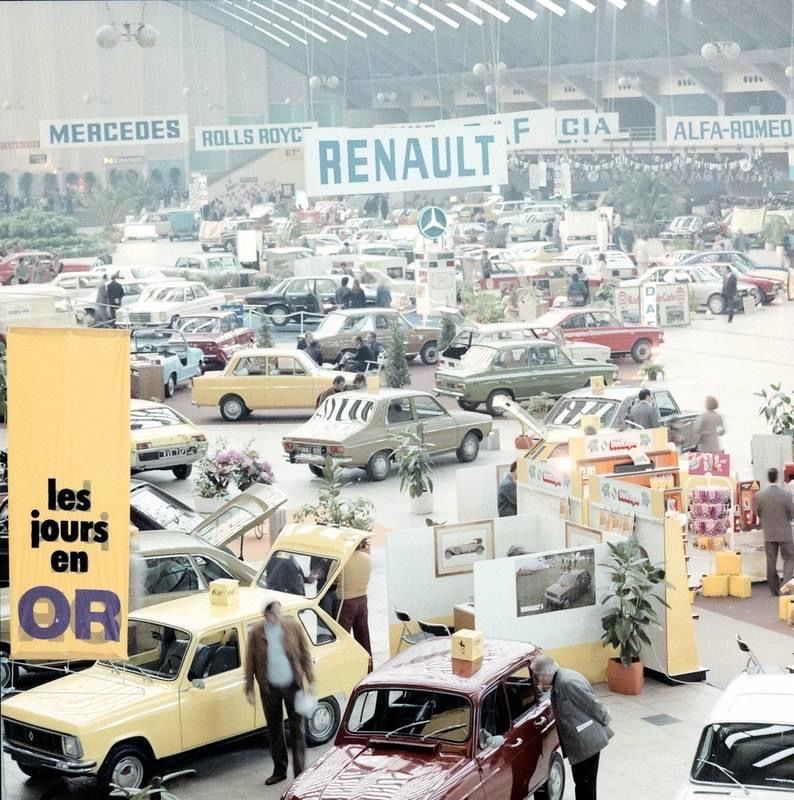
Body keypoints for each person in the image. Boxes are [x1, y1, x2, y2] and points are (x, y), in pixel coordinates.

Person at [244, 600, 314, 785]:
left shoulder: (292, 626)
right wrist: (249, 688)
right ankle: (279, 770)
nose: (277, 617)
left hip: (293, 685)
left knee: (297, 729)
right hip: (270, 688)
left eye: (278, 613)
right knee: (274, 729)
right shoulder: (256, 633)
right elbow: (250, 661)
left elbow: (305, 653)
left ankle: (300, 775)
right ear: (265, 615)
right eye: (273, 614)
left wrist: (311, 679)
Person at [531, 655, 613, 800]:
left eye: (537, 677)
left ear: (544, 674)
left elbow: (591, 704)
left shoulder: (567, 683)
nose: (537, 681)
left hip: (587, 742)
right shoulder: (560, 679)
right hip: (580, 742)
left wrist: (605, 718)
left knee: (585, 784)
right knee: (582, 782)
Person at [756, 467, 794, 596]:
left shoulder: (760, 495)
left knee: (771, 560)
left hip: (769, 532)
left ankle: (774, 588)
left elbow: (758, 513)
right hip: (785, 532)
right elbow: (791, 513)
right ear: (777, 477)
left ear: (768, 477)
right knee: (789, 558)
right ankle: (786, 585)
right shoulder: (786, 495)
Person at [336, 538, 372, 664]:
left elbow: (333, 578)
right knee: (363, 634)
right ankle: (368, 664)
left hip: (346, 601)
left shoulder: (343, 560)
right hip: (362, 599)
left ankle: (343, 663)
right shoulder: (367, 558)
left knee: (342, 635)